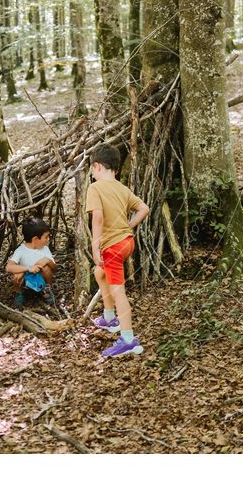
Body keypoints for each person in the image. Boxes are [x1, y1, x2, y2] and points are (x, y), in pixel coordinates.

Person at [86, 143, 150, 357]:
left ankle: (128, 339)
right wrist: (129, 226)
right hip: (126, 243)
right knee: (99, 272)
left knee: (118, 291)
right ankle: (109, 317)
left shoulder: (95, 188)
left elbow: (98, 218)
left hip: (112, 247)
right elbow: (144, 209)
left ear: (97, 166)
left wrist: (95, 246)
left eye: (92, 170)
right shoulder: (122, 188)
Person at [6, 217, 57, 307]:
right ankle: (19, 292)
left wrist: (47, 260)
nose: (47, 239)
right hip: (26, 281)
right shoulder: (21, 250)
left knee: (46, 268)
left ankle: (47, 290)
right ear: (35, 239)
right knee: (17, 274)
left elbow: (54, 268)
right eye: (46, 237)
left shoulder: (45, 249)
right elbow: (9, 267)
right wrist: (29, 268)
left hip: (41, 279)